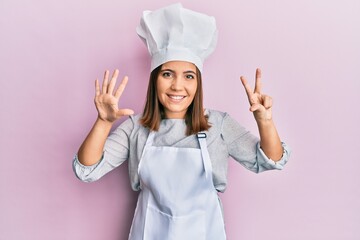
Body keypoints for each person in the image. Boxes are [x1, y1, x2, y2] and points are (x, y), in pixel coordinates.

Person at [73, 3, 291, 240]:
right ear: (155, 79)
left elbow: (271, 159)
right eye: (167, 74)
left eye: (188, 76)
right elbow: (87, 169)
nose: (177, 85)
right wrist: (103, 122)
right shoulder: (135, 127)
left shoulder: (218, 125)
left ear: (198, 83)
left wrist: (265, 121)